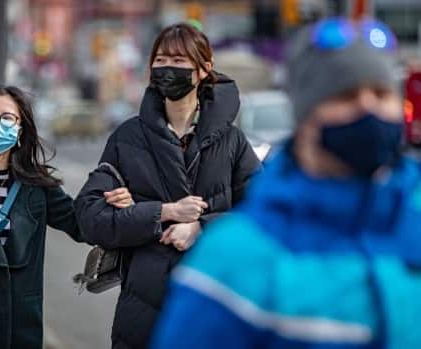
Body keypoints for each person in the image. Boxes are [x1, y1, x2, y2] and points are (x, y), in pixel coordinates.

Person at [151, 18, 421, 349]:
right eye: (345, 95)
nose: (367, 107)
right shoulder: (233, 261)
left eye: (381, 94)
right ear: (305, 116)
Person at [75, 23, 261, 349]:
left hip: (216, 301)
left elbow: (264, 216)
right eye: (160, 61)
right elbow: (90, 217)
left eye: (178, 61)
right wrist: (162, 212)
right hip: (143, 313)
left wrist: (201, 228)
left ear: (203, 69)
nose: (166, 69)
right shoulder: (128, 138)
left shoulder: (232, 142)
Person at [0, 85, 132, 349]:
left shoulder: (37, 185)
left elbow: (82, 227)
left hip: (19, 327)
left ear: (20, 131)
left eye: (6, 118)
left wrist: (112, 205)